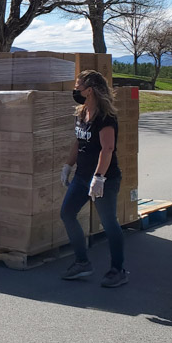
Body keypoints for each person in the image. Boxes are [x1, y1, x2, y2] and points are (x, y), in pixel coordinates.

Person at [58, 69, 128, 287]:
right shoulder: (82, 113)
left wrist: (99, 177)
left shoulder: (106, 117)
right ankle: (82, 262)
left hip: (104, 178)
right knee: (67, 213)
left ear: (89, 90)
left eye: (78, 86)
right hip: (81, 176)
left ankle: (118, 269)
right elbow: (78, 141)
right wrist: (68, 165)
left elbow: (107, 148)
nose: (75, 90)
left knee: (109, 223)